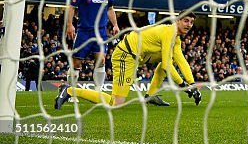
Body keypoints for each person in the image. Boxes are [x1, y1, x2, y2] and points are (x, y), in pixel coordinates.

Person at [55, 13, 200, 109]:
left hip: (133, 56)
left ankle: (150, 96)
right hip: (126, 55)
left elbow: (181, 61)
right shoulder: (169, 32)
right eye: (185, 21)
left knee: (164, 63)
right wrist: (182, 84)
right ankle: (69, 90)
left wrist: (192, 84)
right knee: (115, 103)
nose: (188, 24)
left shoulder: (176, 39)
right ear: (177, 21)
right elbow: (169, 64)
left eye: (192, 22)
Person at [64, 0, 119, 95]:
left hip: (101, 33)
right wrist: (69, 25)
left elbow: (110, 9)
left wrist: (115, 25)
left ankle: (98, 91)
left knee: (101, 60)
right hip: (84, 32)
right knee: (76, 62)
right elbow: (72, 7)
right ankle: (70, 92)